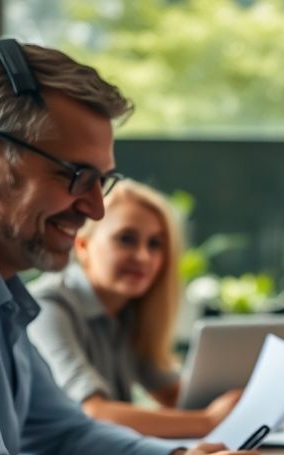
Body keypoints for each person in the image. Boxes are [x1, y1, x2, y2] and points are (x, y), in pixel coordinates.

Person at [0, 38, 261, 455]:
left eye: (102, 181)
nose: (96, 208)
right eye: (74, 175)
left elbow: (63, 434)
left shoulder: (1, 299)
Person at [27, 179, 239, 438]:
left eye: (155, 244)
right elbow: (93, 412)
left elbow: (175, 395)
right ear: (83, 246)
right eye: (126, 239)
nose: (143, 257)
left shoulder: (127, 311)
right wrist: (207, 421)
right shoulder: (47, 306)